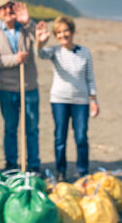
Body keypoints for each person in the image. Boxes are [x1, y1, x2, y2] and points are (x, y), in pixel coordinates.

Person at [35, 16, 99, 182]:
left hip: (81, 102)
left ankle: (83, 172)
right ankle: (61, 172)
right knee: (60, 138)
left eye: (65, 31)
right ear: (55, 35)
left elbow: (90, 77)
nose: (63, 35)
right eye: (58, 32)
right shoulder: (55, 52)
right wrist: (40, 41)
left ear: (72, 31)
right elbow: (40, 53)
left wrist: (93, 100)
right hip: (59, 100)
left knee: (81, 138)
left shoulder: (84, 52)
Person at [0, 0, 41, 173]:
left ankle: (33, 164)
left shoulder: (25, 27)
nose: (8, 10)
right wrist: (15, 59)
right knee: (10, 128)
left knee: (31, 128)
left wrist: (28, 22)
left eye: (11, 6)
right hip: (7, 89)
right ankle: (11, 164)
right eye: (4, 7)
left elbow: (40, 41)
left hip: (29, 87)